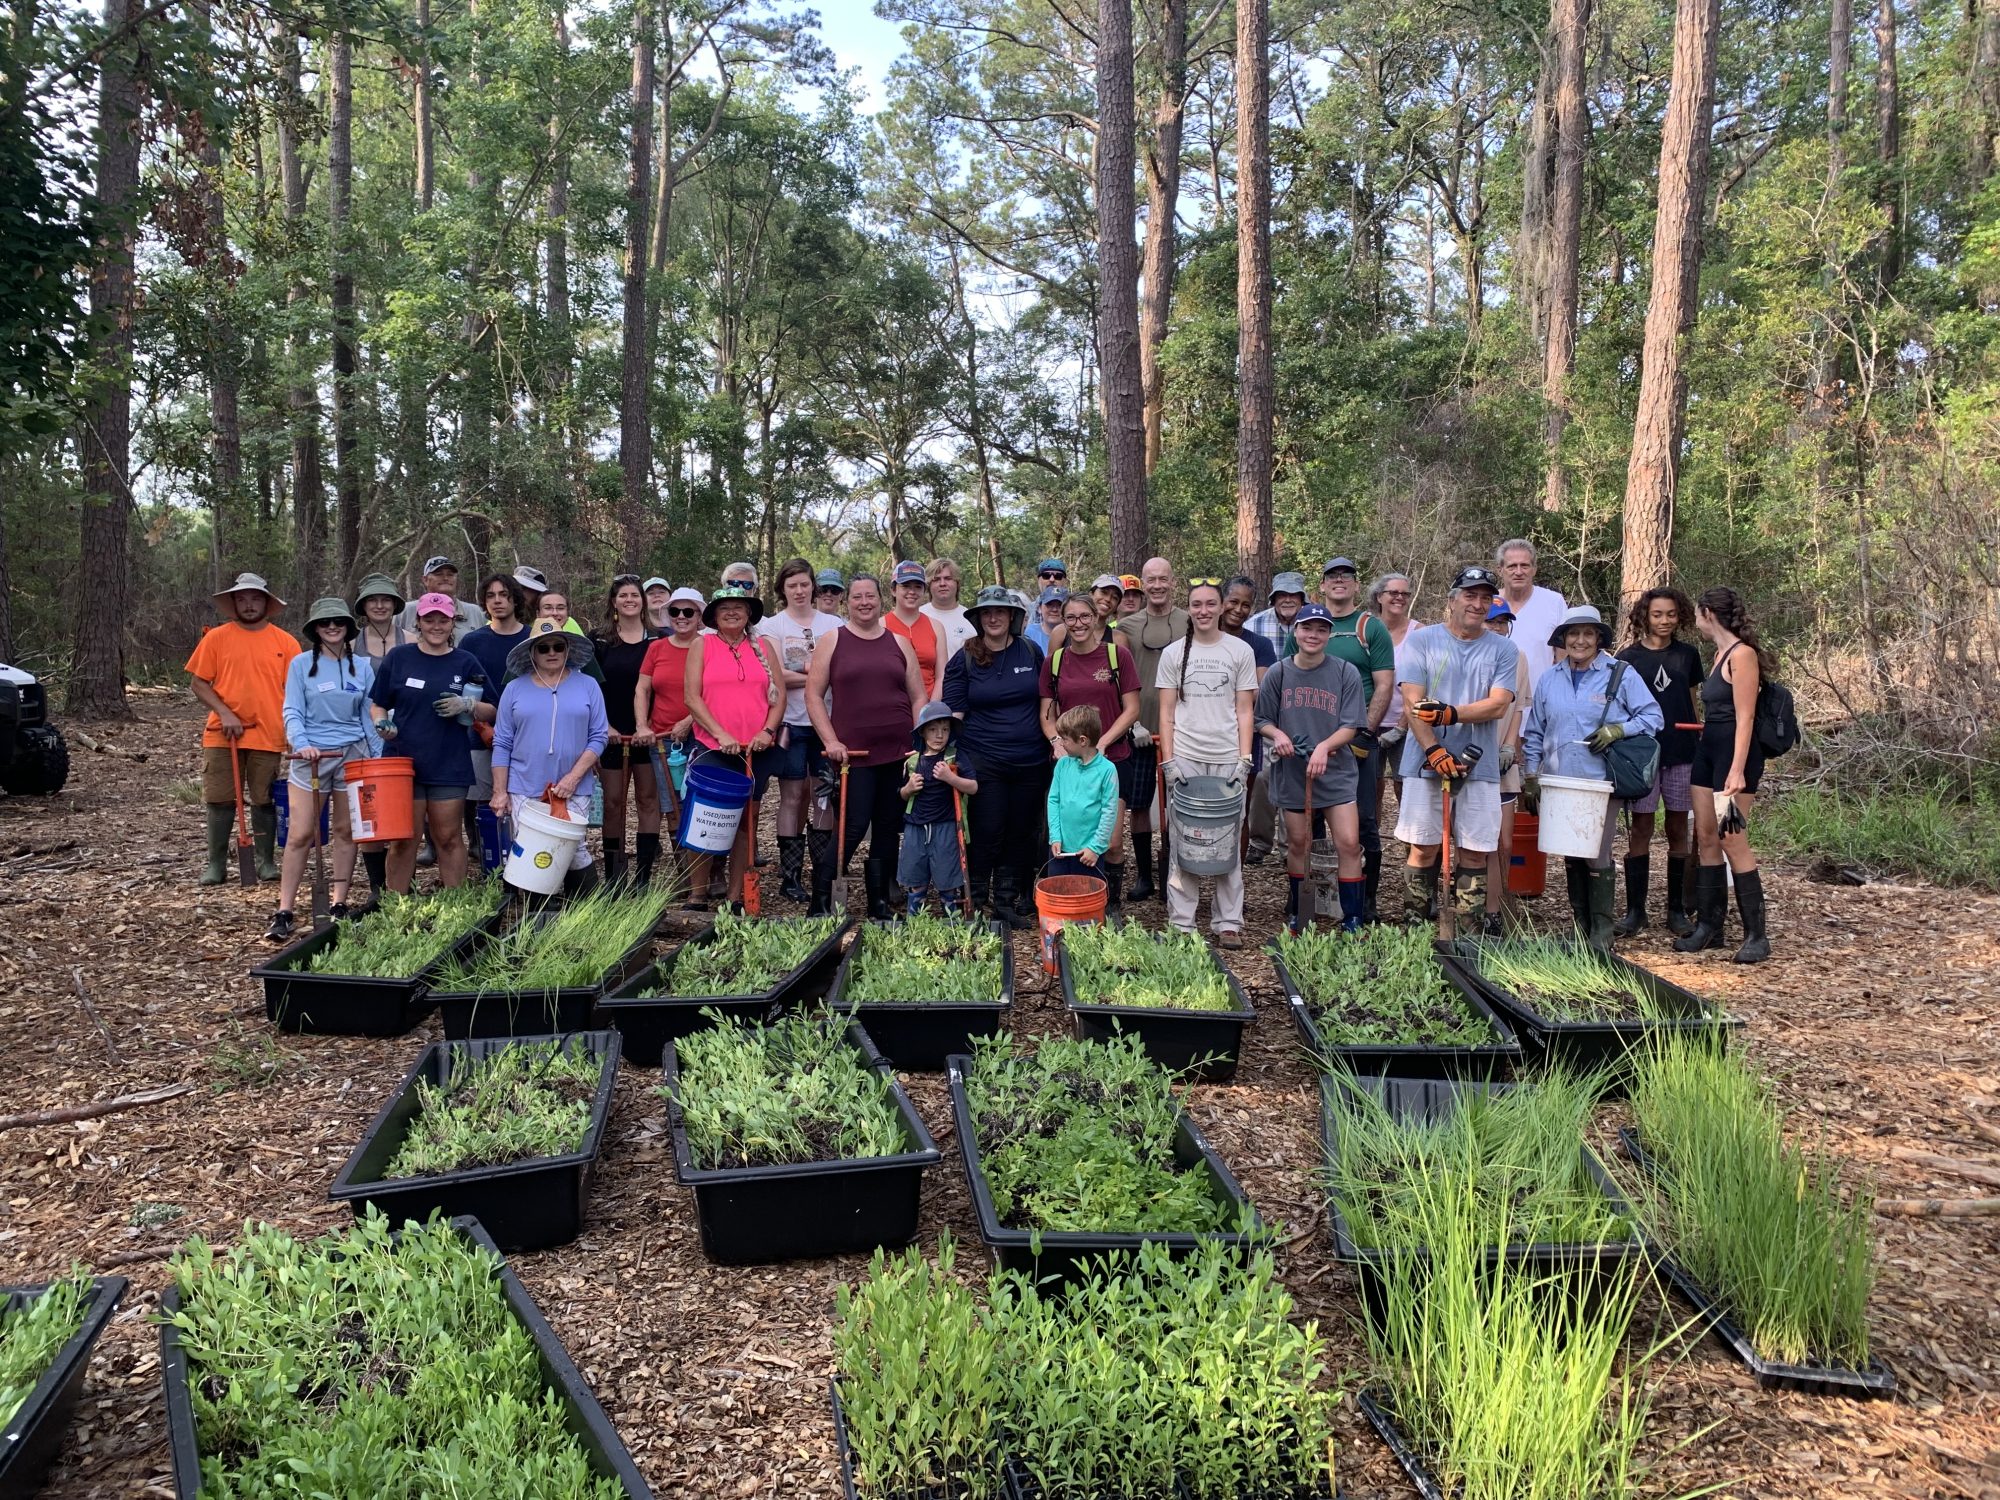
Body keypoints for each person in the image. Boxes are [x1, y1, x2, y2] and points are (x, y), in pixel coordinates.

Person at [1521, 606, 1665, 949]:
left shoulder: (1620, 673)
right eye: (1573, 634)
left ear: (1599, 639)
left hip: (1601, 780)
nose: (1580, 641)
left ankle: (1602, 930)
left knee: (1596, 851)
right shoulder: (1549, 678)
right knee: (1571, 852)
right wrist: (1530, 774)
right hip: (1560, 779)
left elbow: (1653, 716)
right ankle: (1581, 925)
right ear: (1563, 639)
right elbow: (1536, 730)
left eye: (1588, 634)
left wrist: (1619, 729)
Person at [1395, 567, 1517, 925]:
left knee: (1476, 850)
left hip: (1480, 765)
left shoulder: (1503, 649)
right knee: (1423, 847)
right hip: (1424, 761)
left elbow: (1498, 704)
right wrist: (1434, 750)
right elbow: (1412, 703)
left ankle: (1468, 934)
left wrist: (1451, 714)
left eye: (1485, 597)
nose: (1477, 604)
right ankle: (1414, 933)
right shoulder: (1423, 641)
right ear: (1452, 600)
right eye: (1470, 595)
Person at [805, 574, 926, 918]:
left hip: (898, 751)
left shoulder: (899, 643)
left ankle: (879, 902)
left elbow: (918, 696)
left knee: (888, 824)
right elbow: (813, 695)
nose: (864, 602)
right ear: (848, 602)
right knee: (854, 824)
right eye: (857, 597)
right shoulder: (833, 640)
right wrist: (830, 740)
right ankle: (821, 896)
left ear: (880, 600)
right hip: (853, 755)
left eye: (870, 596)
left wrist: (918, 741)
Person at [264, 598, 378, 938]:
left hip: (352, 755)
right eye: (325, 622)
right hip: (312, 758)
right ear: (315, 628)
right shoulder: (301, 665)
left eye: (338, 622)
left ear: (347, 627)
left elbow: (368, 716)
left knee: (346, 831)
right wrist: (302, 744)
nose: (332, 627)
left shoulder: (363, 666)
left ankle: (339, 902)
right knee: (301, 834)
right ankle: (285, 909)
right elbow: (292, 711)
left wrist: (376, 754)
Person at [1157, 579, 1258, 948]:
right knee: (1185, 839)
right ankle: (1182, 922)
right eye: (1196, 604)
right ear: (1189, 609)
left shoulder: (1239, 650)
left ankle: (1228, 921)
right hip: (1186, 756)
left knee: (1228, 839)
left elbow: (1245, 709)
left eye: (1210, 604)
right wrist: (1169, 762)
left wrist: (1244, 759)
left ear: (1220, 607)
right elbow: (1166, 713)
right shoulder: (1173, 654)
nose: (1203, 610)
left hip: (1227, 757)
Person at [1675, 586, 1774, 963]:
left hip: (1736, 758)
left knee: (1733, 838)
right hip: (1708, 751)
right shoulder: (1717, 655)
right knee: (1705, 836)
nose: (1695, 620)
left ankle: (1756, 936)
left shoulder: (1742, 655)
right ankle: (1709, 928)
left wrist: (1736, 770)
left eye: (1697, 613)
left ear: (1707, 613)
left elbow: (1746, 716)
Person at [367, 593, 491, 892]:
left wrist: (467, 705)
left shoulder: (465, 661)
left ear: (453, 623)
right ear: (418, 622)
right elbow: (378, 704)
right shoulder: (399, 657)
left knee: (447, 837)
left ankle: (454, 907)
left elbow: (492, 709)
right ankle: (397, 908)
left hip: (448, 762)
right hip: (402, 762)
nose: (436, 626)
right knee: (402, 840)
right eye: (429, 619)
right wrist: (382, 723)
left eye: (443, 620)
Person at [1256, 603, 1368, 934]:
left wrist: (1324, 746)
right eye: (1307, 628)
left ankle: (1352, 918)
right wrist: (1278, 735)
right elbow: (1262, 719)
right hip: (1293, 771)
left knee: (1348, 842)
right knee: (1298, 842)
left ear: (1329, 634)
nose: (1313, 635)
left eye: (1321, 629)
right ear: (1296, 631)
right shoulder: (1279, 672)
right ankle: (1300, 912)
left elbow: (1351, 725)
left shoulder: (1345, 672)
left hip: (1335, 770)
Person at [943, 585, 1050, 927]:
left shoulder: (1031, 652)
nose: (993, 617)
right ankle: (973, 899)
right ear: (978, 618)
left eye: (1000, 612)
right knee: (987, 829)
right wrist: (942, 754)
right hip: (983, 758)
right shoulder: (965, 657)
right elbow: (955, 712)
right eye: (987, 612)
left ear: (1012, 617)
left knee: (1021, 830)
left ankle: (1005, 900)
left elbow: (1048, 702)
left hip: (1030, 759)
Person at [1299, 557, 1398, 922]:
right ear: (1322, 585)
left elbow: (1384, 684)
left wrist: (1365, 732)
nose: (1340, 581)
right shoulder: (1309, 623)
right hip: (1310, 740)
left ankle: (1364, 900)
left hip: (1357, 740)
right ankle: (1310, 898)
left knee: (1363, 821)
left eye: (1347, 577)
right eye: (1332, 576)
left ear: (1356, 586)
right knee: (1308, 822)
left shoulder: (1370, 628)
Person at [188, 573, 300, 886]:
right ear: (234, 603)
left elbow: (296, 690)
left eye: (255, 598)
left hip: (267, 733)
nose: (249, 605)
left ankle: (265, 861)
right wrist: (224, 712)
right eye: (242, 599)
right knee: (220, 798)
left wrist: (295, 731)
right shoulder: (217, 638)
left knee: (263, 798)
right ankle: (216, 864)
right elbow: (198, 683)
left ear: (266, 602)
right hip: (223, 734)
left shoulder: (285, 642)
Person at [1039, 591, 1142, 916]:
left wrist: (1103, 743)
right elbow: (1047, 714)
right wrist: (1057, 740)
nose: (1078, 623)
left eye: (1084, 616)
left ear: (1096, 617)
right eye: (1071, 618)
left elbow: (1132, 709)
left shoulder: (1116, 656)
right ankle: (1078, 901)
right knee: (1072, 835)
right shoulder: (1055, 662)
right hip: (1070, 764)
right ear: (1064, 622)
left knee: (1111, 841)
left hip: (1113, 759)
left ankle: (1110, 904)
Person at [683, 583, 784, 912]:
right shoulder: (703, 644)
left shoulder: (763, 647)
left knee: (746, 823)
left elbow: (778, 696)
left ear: (749, 613)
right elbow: (692, 697)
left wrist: (769, 731)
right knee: (705, 818)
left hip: (755, 750)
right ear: (714, 614)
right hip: (714, 748)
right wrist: (719, 733)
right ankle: (697, 894)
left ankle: (735, 896)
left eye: (739, 607)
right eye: (725, 607)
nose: (732, 611)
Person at [490, 620, 609, 896]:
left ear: (567, 649)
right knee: (535, 847)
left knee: (573, 847)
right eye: (544, 648)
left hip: (574, 785)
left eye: (558, 646)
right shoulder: (514, 689)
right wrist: (499, 792)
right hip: (524, 782)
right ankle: (541, 914)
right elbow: (502, 741)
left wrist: (574, 777)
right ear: (533, 653)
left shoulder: (588, 686)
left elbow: (599, 736)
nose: (551, 652)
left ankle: (589, 911)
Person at [1615, 587, 1703, 937]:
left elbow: (1693, 702)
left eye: (1670, 614)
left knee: (1679, 828)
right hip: (1642, 755)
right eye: (1657, 614)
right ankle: (1636, 911)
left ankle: (1676, 910)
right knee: (1641, 827)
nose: (1664, 620)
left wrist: (1702, 740)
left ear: (1679, 615)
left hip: (1682, 752)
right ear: (1644, 617)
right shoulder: (1628, 658)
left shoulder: (1688, 654)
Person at [756, 558, 846, 902]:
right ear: (783, 589)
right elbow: (777, 676)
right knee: (792, 796)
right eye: (792, 585)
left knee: (823, 796)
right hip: (790, 724)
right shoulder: (773, 626)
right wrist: (820, 675)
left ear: (813, 587)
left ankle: (821, 871)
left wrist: (805, 675)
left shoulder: (833, 623)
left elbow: (841, 671)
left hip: (828, 724)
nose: (799, 590)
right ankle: (790, 875)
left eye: (804, 584)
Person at [1115, 557, 1190, 902]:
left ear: (1173, 581)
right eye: (1151, 579)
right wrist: (1133, 722)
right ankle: (1145, 875)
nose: (1157, 585)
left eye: (1163, 578)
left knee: (1181, 804)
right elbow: (1116, 680)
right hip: (1141, 729)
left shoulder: (1189, 622)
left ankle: (1176, 872)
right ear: (1143, 584)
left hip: (1184, 728)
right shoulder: (1126, 627)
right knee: (1141, 804)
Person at [591, 575, 662, 887]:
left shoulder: (658, 640)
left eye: (635, 595)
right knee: (613, 802)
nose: (630, 600)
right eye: (623, 595)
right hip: (610, 733)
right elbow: (590, 688)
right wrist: (603, 726)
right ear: (614, 602)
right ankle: (614, 876)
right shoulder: (600, 641)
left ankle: (643, 876)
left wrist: (650, 727)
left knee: (648, 801)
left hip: (648, 734)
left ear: (643, 601)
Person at [460, 574, 532, 871]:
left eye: (504, 594)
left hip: (528, 735)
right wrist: (480, 725)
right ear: (484, 602)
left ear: (515, 599)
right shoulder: (472, 641)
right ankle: (488, 862)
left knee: (523, 801)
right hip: (480, 734)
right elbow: (464, 691)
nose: (498, 600)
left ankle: (523, 864)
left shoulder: (532, 638)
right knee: (482, 800)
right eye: (491, 596)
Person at [635, 586, 706, 859]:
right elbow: (642, 689)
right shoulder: (657, 648)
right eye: (675, 611)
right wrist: (642, 725)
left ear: (699, 615)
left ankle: (708, 869)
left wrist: (689, 720)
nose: (681, 617)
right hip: (664, 740)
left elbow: (713, 692)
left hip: (702, 736)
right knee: (672, 804)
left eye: (688, 611)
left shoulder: (710, 646)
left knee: (699, 801)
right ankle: (683, 876)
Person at [1482, 600, 1534, 936]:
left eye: (1503, 622)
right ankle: (1464, 905)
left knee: (1503, 842)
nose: (1497, 628)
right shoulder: (1466, 653)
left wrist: (1510, 746)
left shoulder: (1517, 657)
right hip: (1468, 760)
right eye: (1492, 621)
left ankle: (1494, 910)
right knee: (1469, 841)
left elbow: (1518, 708)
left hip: (1501, 760)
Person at [898, 702, 978, 917]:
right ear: (923, 732)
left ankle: (953, 924)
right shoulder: (913, 761)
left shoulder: (955, 757)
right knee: (915, 879)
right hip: (916, 826)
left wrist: (951, 778)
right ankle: (916, 925)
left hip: (946, 825)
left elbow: (973, 787)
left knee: (947, 879)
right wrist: (909, 788)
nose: (939, 735)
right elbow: (902, 795)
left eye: (944, 729)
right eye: (933, 729)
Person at [1371, 572, 1423, 832]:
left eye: (1405, 593)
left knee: (1407, 786)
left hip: (1408, 725)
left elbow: (1425, 683)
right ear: (1379, 596)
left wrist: (1402, 725)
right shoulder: (1366, 628)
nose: (1399, 598)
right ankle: (1370, 852)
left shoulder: (1419, 633)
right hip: (1370, 724)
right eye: (1393, 593)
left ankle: (1412, 849)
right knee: (1371, 788)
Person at [1046, 705, 1119, 882]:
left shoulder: (1107, 770)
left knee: (1087, 900)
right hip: (1060, 850)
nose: (1061, 743)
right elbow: (1053, 800)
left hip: (1089, 854)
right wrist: (1055, 837)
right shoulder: (1063, 765)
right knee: (1058, 898)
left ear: (1083, 741)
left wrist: (1095, 847)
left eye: (1065, 739)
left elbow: (1109, 812)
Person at [1495, 539, 1567, 674]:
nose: (1518, 572)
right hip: (1493, 693)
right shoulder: (1489, 603)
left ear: (1534, 569)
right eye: (1512, 566)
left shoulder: (1553, 602)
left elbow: (1563, 658)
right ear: (1500, 570)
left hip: (1540, 693)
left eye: (1525, 566)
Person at [884, 560, 946, 700]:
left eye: (918, 587)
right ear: (894, 590)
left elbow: (941, 675)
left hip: (929, 706)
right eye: (905, 586)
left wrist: (931, 708)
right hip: (892, 707)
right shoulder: (880, 625)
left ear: (924, 591)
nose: (912, 592)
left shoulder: (936, 627)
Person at [397, 556, 484, 641]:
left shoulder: (475, 612)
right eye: (439, 574)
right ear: (425, 580)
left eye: (450, 574)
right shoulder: (405, 611)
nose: (446, 578)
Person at [922, 557, 978, 665]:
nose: (942, 583)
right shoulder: (918, 615)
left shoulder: (970, 619)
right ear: (929, 585)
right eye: (936, 579)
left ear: (957, 583)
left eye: (948, 578)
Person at [1244, 570, 1307, 657]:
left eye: (1293, 595)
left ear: (1302, 599)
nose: (1288, 600)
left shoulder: (1314, 622)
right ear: (1274, 599)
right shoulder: (1252, 625)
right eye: (1282, 595)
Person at [354, 574, 409, 669]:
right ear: (364, 605)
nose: (379, 606)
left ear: (394, 604)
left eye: (386, 600)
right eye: (372, 600)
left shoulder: (411, 641)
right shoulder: (352, 644)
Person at [1025, 586, 1066, 651]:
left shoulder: (1075, 634)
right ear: (1039, 608)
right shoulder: (1028, 633)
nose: (1054, 609)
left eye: (1060, 605)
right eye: (1049, 604)